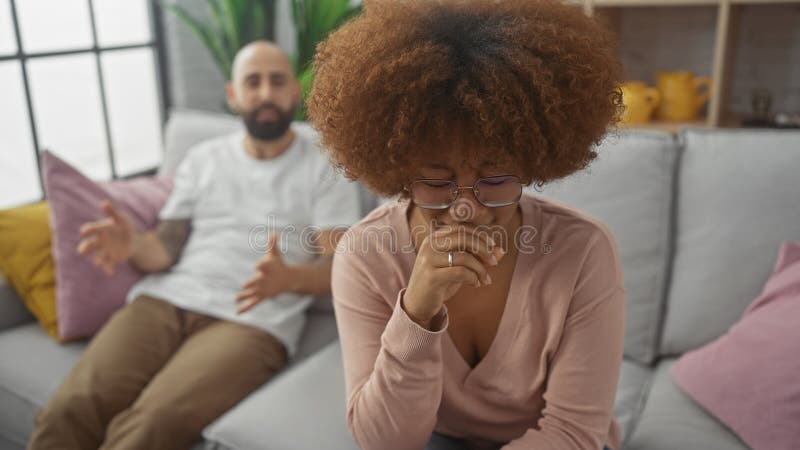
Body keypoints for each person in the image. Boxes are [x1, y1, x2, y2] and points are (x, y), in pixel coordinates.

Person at [306, 1, 626, 449]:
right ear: (398, 171)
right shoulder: (365, 254)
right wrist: (416, 312)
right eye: (437, 181)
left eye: (494, 179)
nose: (466, 208)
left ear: (532, 162)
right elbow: (384, 443)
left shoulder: (582, 250)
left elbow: (574, 433)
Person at [28, 41, 362, 450]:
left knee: (148, 426)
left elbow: (342, 268)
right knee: (70, 408)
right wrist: (133, 244)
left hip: (252, 321)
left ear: (294, 91)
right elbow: (165, 248)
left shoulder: (325, 165)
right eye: (252, 82)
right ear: (233, 95)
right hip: (165, 301)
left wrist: (289, 278)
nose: (265, 93)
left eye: (276, 81)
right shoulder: (202, 158)